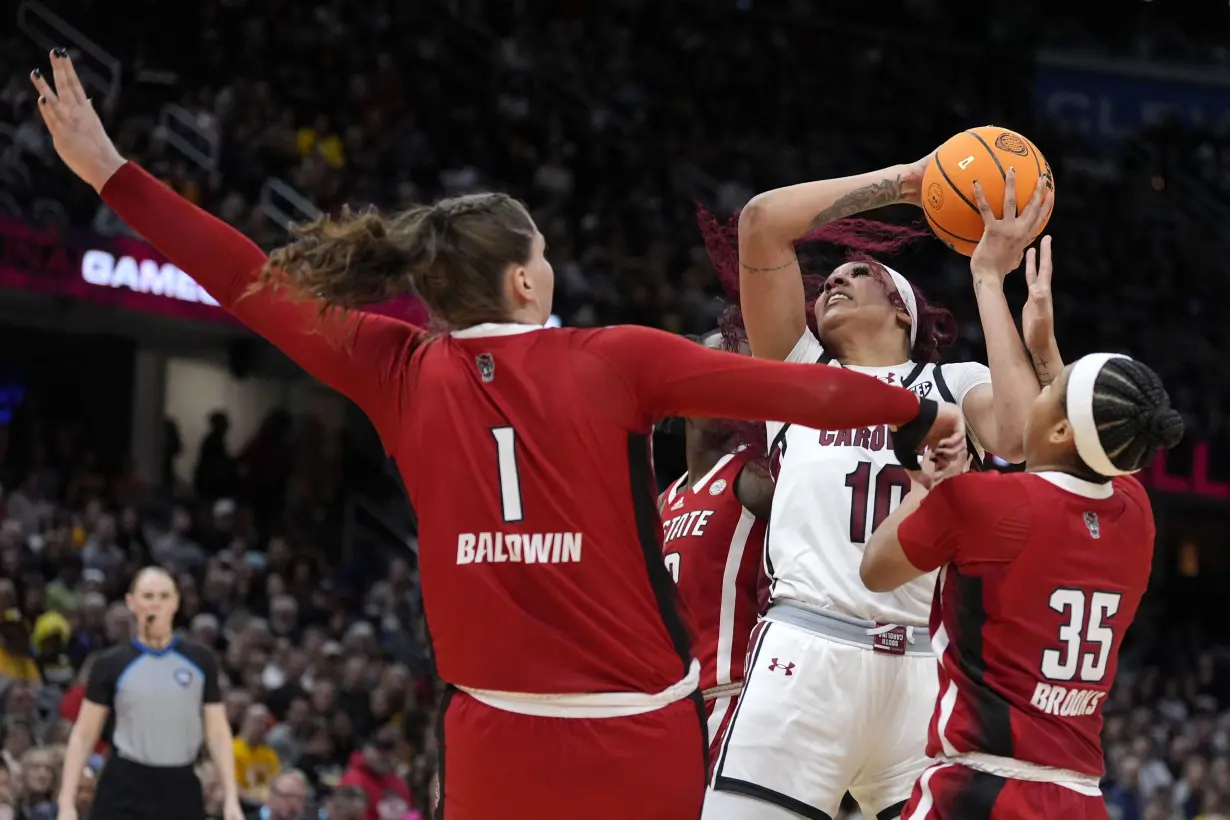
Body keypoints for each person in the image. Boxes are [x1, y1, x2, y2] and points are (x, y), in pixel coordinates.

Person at [31, 52, 963, 819]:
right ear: (524, 284)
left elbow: (242, 277)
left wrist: (115, 174)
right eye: (544, 254)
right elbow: (800, 393)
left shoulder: (395, 368)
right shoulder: (617, 358)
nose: (551, 266)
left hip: (491, 740)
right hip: (639, 737)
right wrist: (914, 412)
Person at [701, 154, 1058, 820]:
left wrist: (987, 277)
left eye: (857, 273)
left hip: (921, 671)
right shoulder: (798, 375)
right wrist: (910, 180)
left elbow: (1019, 437)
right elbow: (761, 225)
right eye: (831, 277)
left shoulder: (951, 385)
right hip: (807, 653)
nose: (834, 280)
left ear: (902, 310)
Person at [860, 350, 1185, 819]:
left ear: (1060, 430)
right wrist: (1045, 347)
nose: (1035, 395)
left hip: (983, 789)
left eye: (1048, 390)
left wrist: (923, 486)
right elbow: (1104, 437)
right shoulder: (1137, 513)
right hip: (1082, 797)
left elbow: (876, 568)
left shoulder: (985, 501)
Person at [658, 331, 773, 768]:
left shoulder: (756, 479)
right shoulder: (663, 502)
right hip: (673, 712)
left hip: (736, 702)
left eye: (738, 370)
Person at [56, 567, 243, 820]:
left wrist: (231, 797)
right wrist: (66, 803)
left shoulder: (201, 660)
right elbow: (83, 735)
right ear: (131, 602)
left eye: (164, 596)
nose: (156, 603)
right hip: (125, 784)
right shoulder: (111, 663)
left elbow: (218, 732)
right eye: (148, 596)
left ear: (176, 602)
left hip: (181, 785)